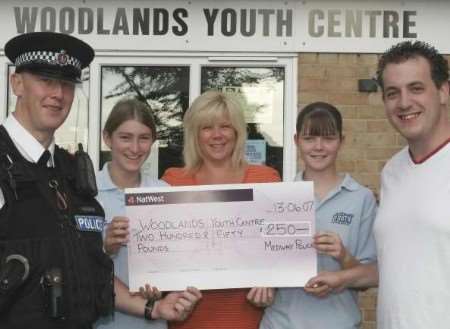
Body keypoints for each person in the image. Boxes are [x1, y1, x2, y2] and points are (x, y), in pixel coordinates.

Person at [307, 41, 450, 329]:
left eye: (416, 88)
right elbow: (396, 266)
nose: (404, 102)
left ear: (444, 91)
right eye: (393, 93)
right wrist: (342, 277)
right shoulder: (393, 171)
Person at [0, 32, 114, 328]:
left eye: (66, 84)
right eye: (45, 80)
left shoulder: (72, 171)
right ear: (17, 83)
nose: (58, 94)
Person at [161, 90, 281, 329]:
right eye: (207, 127)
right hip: (188, 321)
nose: (217, 135)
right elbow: (157, 251)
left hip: (247, 320)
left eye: (225, 126)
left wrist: (272, 282)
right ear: (195, 134)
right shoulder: (173, 182)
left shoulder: (266, 180)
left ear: (237, 131)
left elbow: (281, 249)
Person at [259, 102, 377, 329]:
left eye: (328, 138)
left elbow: (370, 277)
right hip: (281, 323)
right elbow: (264, 268)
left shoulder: (361, 198)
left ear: (341, 141)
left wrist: (342, 255)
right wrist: (262, 286)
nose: (319, 147)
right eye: (309, 138)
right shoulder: (277, 196)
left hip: (339, 323)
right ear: (296, 141)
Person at [95, 99, 202, 329]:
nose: (135, 148)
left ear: (153, 141)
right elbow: (77, 265)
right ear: (107, 138)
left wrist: (164, 285)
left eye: (143, 138)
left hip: (151, 322)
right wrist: (106, 248)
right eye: (125, 137)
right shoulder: (86, 193)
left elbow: (176, 260)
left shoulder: (163, 192)